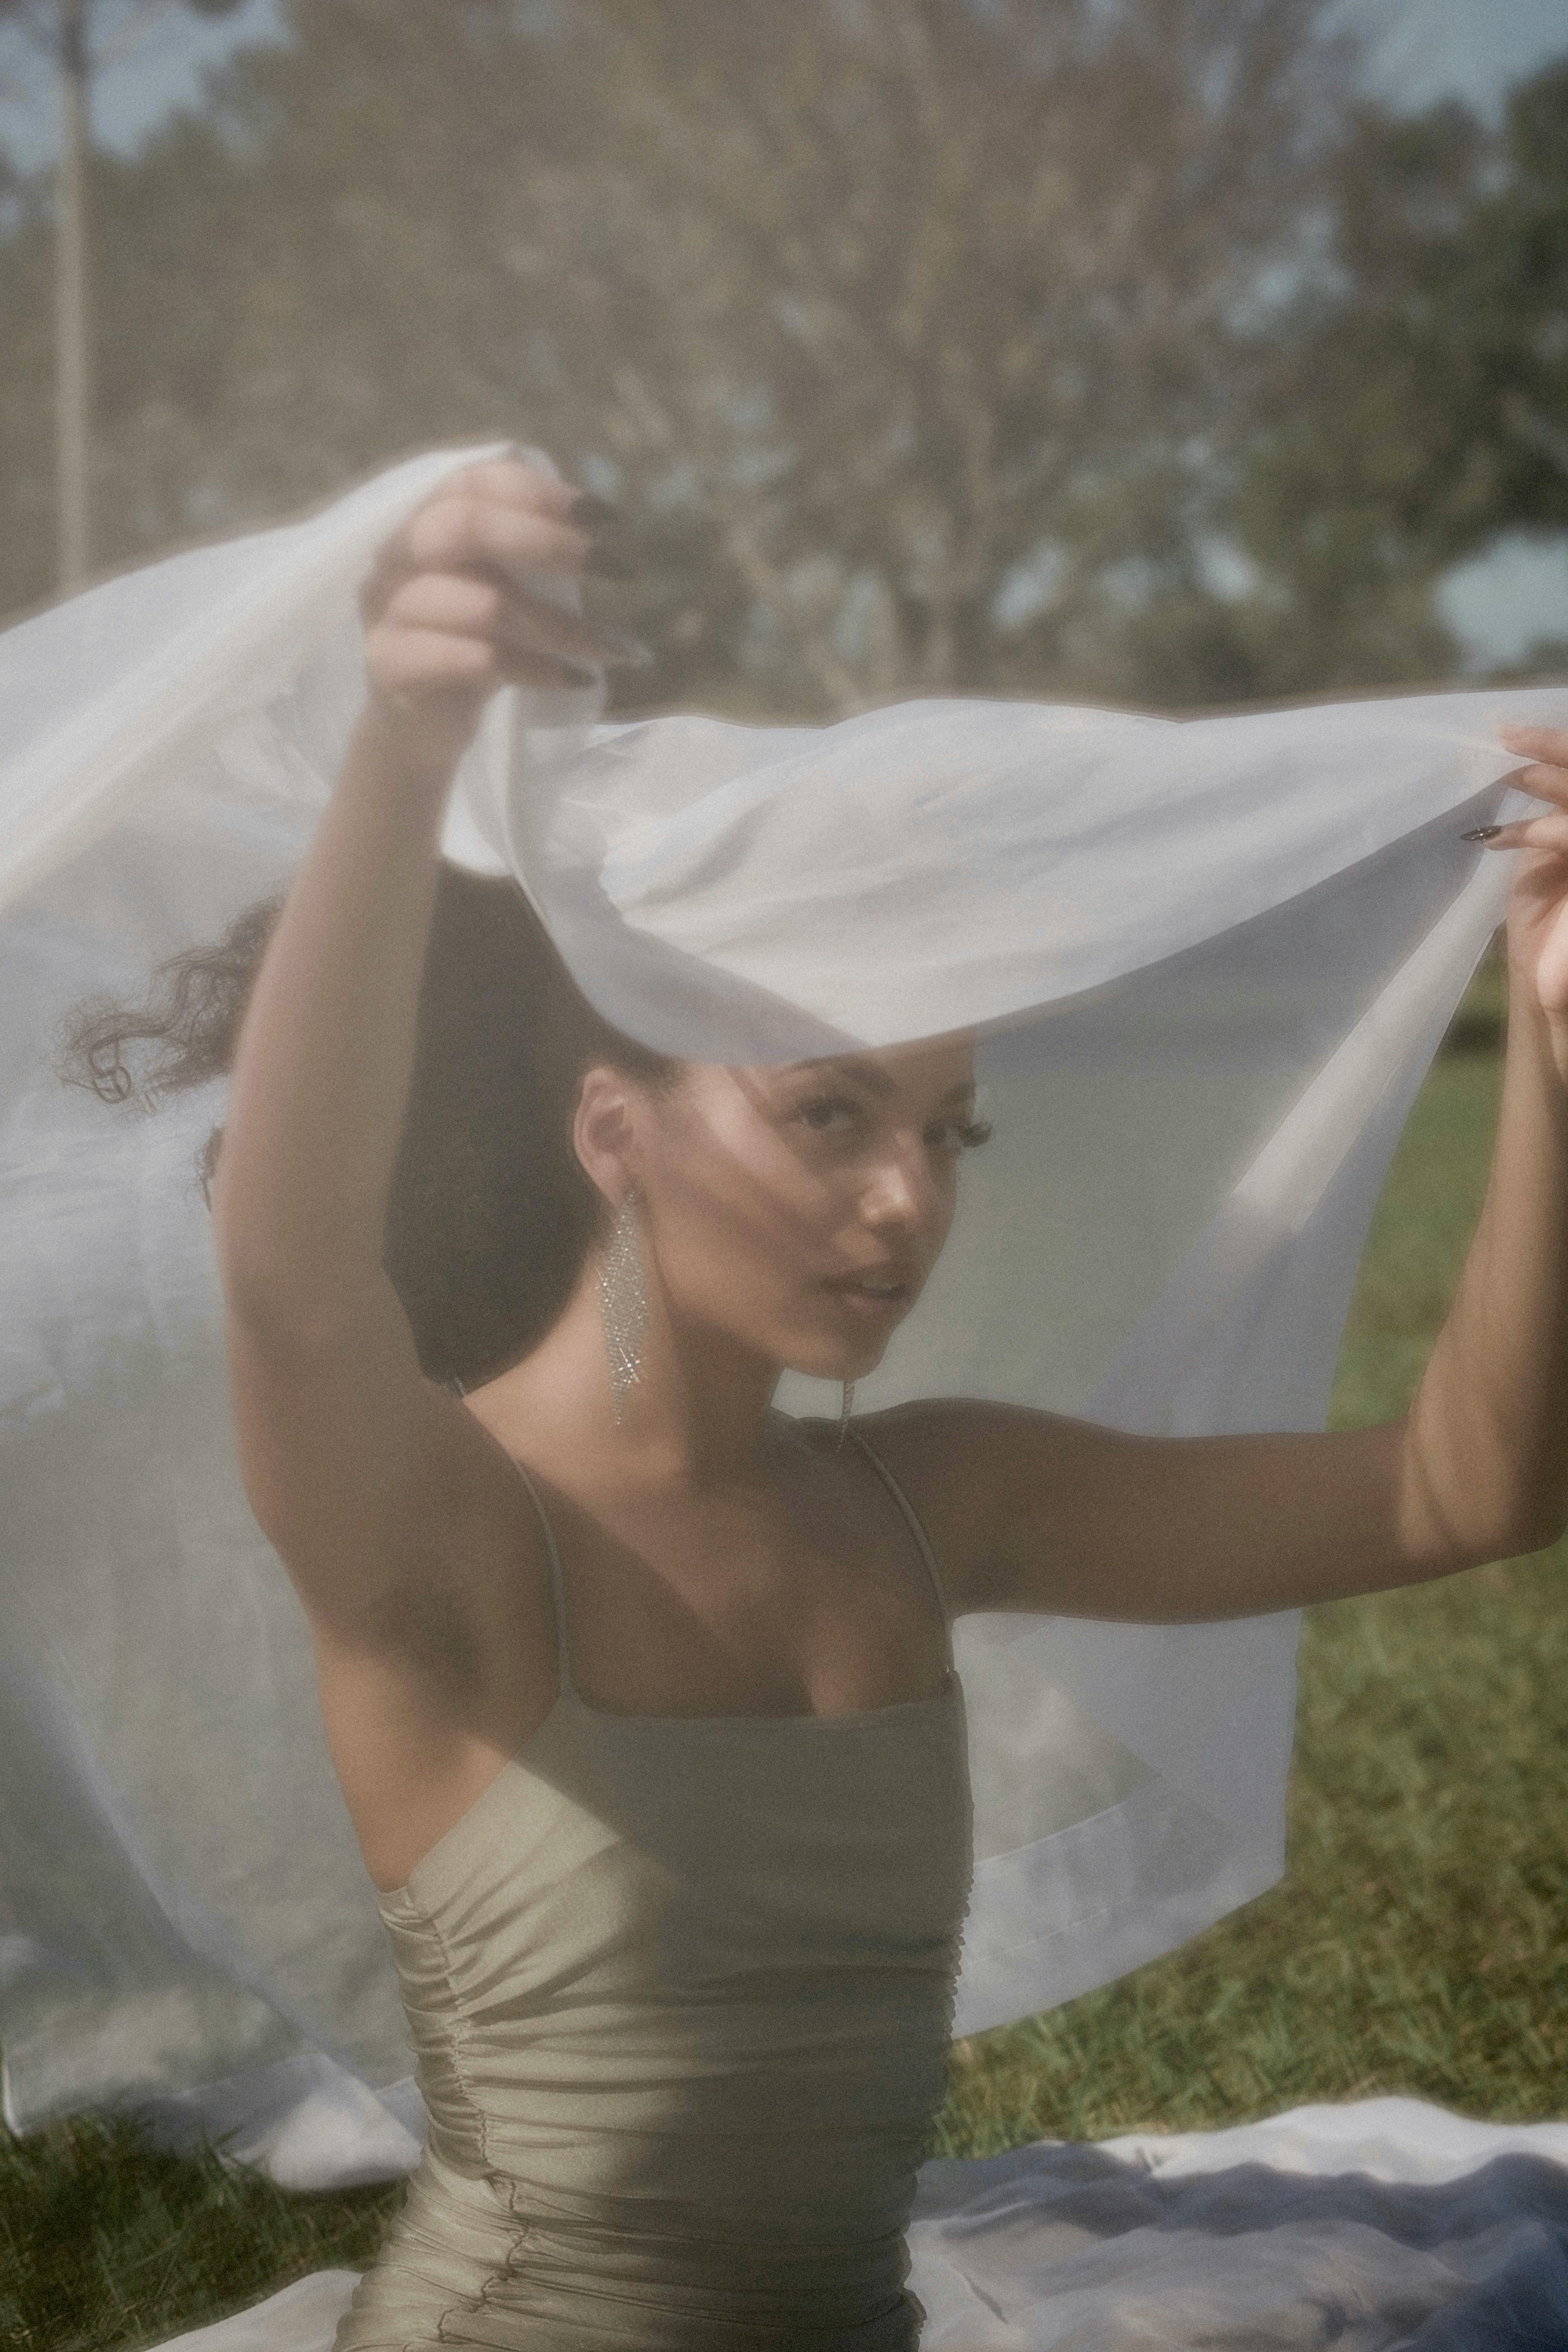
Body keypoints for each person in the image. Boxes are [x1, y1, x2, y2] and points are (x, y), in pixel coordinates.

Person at [67, 451, 1568, 2350]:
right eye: (830, 1115)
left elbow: (1468, 1487)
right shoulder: (449, 1536)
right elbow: (290, 1274)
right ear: (616, 1126)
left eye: (948, 1129)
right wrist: (405, 747)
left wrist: (1552, 1029)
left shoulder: (928, 1502)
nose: (908, 1201)